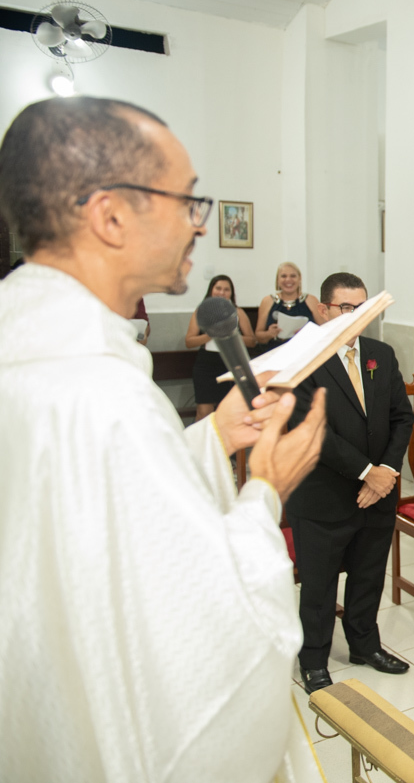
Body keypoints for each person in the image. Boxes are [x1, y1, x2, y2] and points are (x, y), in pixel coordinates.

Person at [0, 95, 328, 780]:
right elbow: (203, 653)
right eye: (186, 201)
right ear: (111, 216)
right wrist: (265, 491)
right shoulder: (98, 390)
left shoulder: (31, 344)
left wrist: (210, 436)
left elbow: (88, 515)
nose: (198, 225)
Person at [286, 272, 414, 693]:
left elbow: (402, 417)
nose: (355, 315)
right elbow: (311, 429)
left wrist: (386, 474)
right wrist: (367, 471)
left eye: (364, 307)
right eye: (346, 307)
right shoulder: (302, 358)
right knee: (319, 586)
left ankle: (364, 645)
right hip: (324, 493)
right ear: (323, 310)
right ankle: (314, 658)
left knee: (368, 575)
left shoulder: (380, 353)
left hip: (376, 493)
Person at [186, 274, 256, 420]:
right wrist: (211, 334)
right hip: (206, 365)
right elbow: (189, 342)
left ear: (231, 293)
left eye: (226, 289)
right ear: (211, 290)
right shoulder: (201, 312)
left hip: (231, 363)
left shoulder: (238, 312)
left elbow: (252, 341)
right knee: (204, 412)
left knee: (229, 411)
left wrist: (229, 334)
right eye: (218, 288)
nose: (222, 292)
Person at [256, 261, 323, 349]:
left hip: (305, 352)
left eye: (293, 276)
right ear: (277, 280)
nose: (288, 280)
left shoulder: (311, 300)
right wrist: (269, 334)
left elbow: (325, 330)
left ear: (300, 278)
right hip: (275, 353)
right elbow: (258, 336)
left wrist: (308, 333)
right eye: (284, 276)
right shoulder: (267, 301)